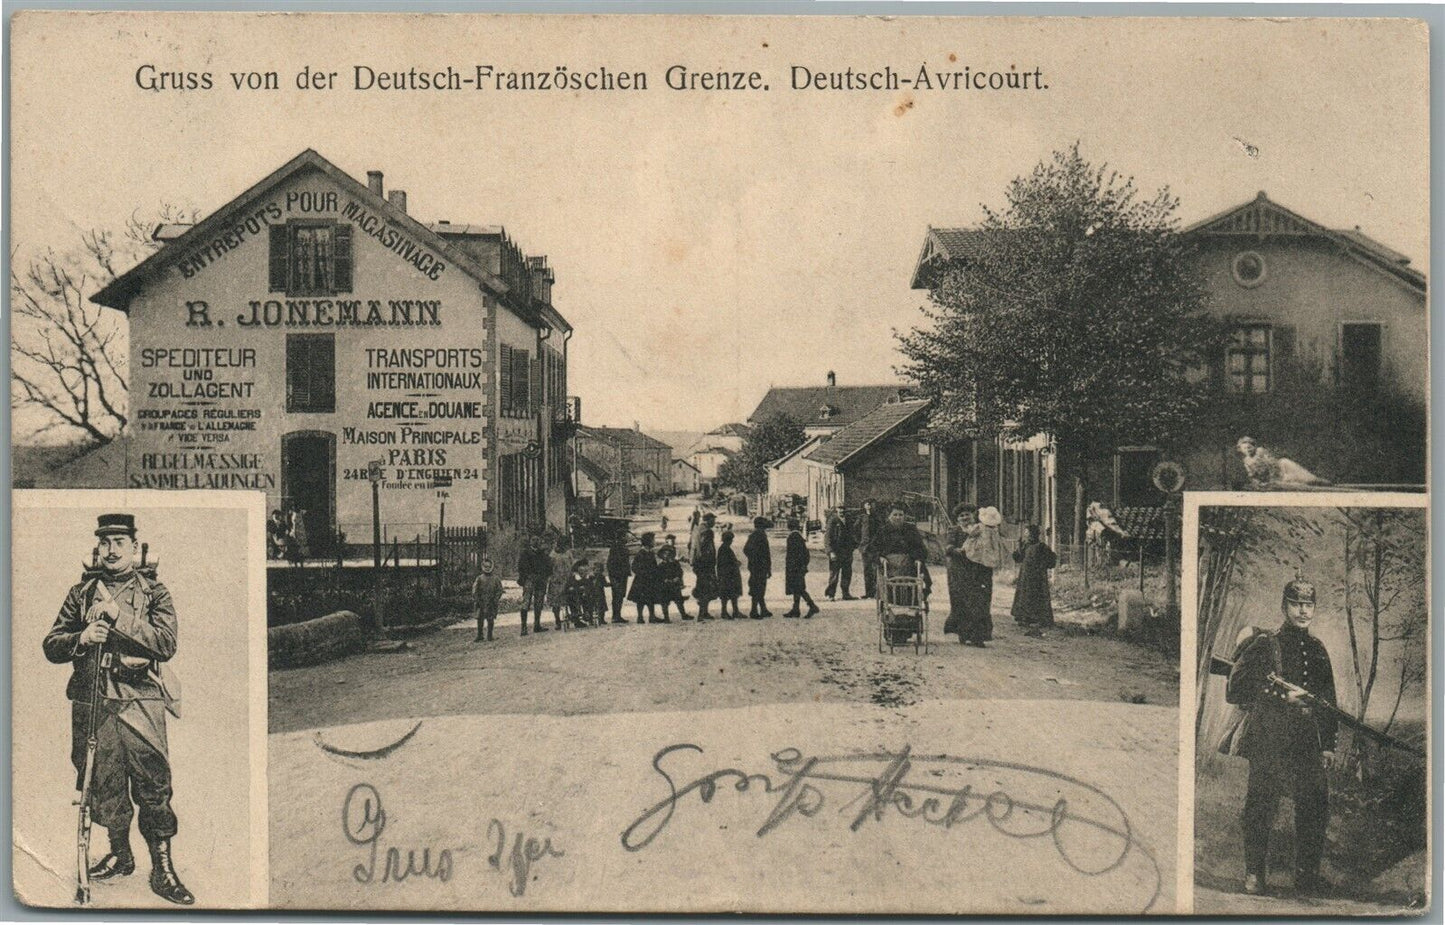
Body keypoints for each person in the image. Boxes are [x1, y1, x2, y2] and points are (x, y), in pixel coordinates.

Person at [44, 513, 193, 905]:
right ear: (98, 547)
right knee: (101, 782)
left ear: (133, 546)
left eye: (119, 543)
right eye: (105, 543)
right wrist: (81, 636)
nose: (111, 551)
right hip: (93, 699)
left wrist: (116, 616)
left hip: (139, 699)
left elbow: (165, 643)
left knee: (153, 783)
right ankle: (120, 854)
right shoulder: (82, 593)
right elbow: (51, 643)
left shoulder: (153, 592)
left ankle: (163, 869)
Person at [1226, 579, 1339, 897]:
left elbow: (1328, 700)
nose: (1303, 611)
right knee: (1261, 803)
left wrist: (1328, 744)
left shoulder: (1317, 649)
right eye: (1296, 604)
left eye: (1309, 605)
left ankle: (1306, 877)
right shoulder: (1266, 644)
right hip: (1269, 736)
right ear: (1284, 606)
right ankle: (1254, 874)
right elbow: (1236, 689)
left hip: (1305, 740)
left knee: (1315, 801)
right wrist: (1281, 696)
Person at [944, 505, 1003, 647]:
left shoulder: (982, 528)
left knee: (980, 602)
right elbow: (948, 547)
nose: (965, 518)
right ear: (957, 519)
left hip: (980, 571)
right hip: (960, 571)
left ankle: (979, 636)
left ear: (973, 516)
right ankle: (964, 633)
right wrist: (957, 550)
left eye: (967, 515)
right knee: (962, 602)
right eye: (961, 516)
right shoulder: (955, 530)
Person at [1011, 524, 1057, 637]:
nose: (1026, 536)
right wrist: (1018, 548)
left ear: (1034, 534)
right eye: (1026, 533)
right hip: (1025, 576)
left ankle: (1039, 619)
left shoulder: (1041, 546)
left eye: (1028, 533)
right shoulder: (1025, 546)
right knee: (1024, 595)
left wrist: (1042, 566)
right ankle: (1024, 618)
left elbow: (1051, 560)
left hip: (1037, 577)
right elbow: (1018, 558)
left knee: (1036, 596)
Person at [782, 518, 819, 618]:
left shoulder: (793, 536)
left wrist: (795, 567)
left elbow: (796, 555)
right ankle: (796, 609)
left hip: (795, 568)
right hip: (798, 567)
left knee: (799, 589)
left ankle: (812, 606)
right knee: (797, 589)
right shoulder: (797, 536)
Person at [516, 534, 551, 636]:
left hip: (540, 581)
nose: (536, 542)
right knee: (526, 602)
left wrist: (544, 576)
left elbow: (548, 567)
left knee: (539, 602)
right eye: (533, 540)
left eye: (537, 539)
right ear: (530, 541)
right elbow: (521, 567)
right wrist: (528, 576)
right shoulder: (525, 553)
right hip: (529, 581)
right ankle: (523, 627)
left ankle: (537, 625)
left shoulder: (543, 554)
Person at [824, 507, 857, 601]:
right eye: (839, 509)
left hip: (847, 552)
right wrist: (830, 552)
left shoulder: (849, 520)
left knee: (847, 573)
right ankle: (831, 595)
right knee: (834, 574)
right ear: (836, 510)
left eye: (843, 509)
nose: (842, 510)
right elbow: (828, 537)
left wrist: (854, 546)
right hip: (836, 551)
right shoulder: (833, 520)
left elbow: (852, 534)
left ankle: (846, 594)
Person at [627, 532, 661, 624]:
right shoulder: (641, 553)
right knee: (640, 600)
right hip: (642, 580)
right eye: (653, 540)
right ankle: (640, 617)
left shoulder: (651, 553)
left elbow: (654, 566)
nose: (654, 542)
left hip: (650, 580)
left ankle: (652, 616)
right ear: (648, 542)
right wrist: (643, 573)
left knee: (650, 599)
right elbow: (634, 567)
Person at [743, 517, 773, 619]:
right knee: (758, 588)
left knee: (759, 587)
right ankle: (754, 611)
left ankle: (763, 609)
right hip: (759, 566)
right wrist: (756, 559)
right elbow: (747, 550)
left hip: (758, 566)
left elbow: (747, 550)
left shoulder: (756, 535)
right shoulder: (758, 535)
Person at [691, 513, 719, 620]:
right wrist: (711, 561)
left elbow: (692, 546)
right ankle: (701, 613)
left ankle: (704, 612)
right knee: (706, 588)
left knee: (702, 587)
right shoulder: (707, 532)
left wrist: (692, 561)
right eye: (713, 520)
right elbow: (707, 549)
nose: (714, 522)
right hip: (705, 564)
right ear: (709, 520)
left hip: (698, 563)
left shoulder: (697, 529)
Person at [471, 556, 504, 642]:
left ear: (492, 567)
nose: (487, 568)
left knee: (490, 618)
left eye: (489, 567)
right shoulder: (479, 578)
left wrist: (496, 599)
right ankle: (480, 635)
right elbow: (475, 590)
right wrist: (477, 599)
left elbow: (499, 590)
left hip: (491, 601)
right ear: (482, 567)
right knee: (480, 618)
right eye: (486, 567)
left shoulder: (496, 579)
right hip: (481, 601)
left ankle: (490, 635)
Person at [546, 539, 574, 631]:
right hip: (556, 581)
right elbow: (549, 567)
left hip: (567, 579)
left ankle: (573, 617)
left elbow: (571, 565)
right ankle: (557, 620)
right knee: (556, 602)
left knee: (570, 597)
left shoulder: (568, 553)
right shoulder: (553, 554)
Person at [857, 499, 883, 599]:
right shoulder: (861, 518)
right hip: (865, 548)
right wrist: (861, 542)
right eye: (867, 504)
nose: (870, 506)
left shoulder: (877, 518)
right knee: (867, 570)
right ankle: (869, 593)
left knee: (876, 570)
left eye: (871, 504)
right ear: (864, 506)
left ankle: (877, 593)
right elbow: (856, 530)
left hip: (875, 548)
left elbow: (881, 531)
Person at [715, 530, 743, 619]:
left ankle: (735, 611)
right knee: (726, 594)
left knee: (733, 594)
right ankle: (724, 612)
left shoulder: (725, 548)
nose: (731, 541)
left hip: (729, 575)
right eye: (731, 539)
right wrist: (735, 563)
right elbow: (725, 563)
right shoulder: (724, 549)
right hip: (727, 575)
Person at [605, 536, 632, 624]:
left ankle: (617, 615)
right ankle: (615, 616)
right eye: (624, 536)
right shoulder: (616, 548)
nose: (626, 538)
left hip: (622, 575)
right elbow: (611, 563)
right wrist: (612, 576)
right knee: (617, 595)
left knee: (620, 595)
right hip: (617, 575)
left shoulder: (623, 547)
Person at [655, 545, 685, 622]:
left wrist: (677, 578)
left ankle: (683, 614)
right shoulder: (661, 566)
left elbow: (680, 572)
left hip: (675, 585)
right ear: (662, 555)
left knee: (679, 600)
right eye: (665, 554)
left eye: (669, 554)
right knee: (664, 602)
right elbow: (658, 576)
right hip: (665, 586)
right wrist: (665, 580)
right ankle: (666, 617)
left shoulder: (675, 564)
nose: (667, 556)